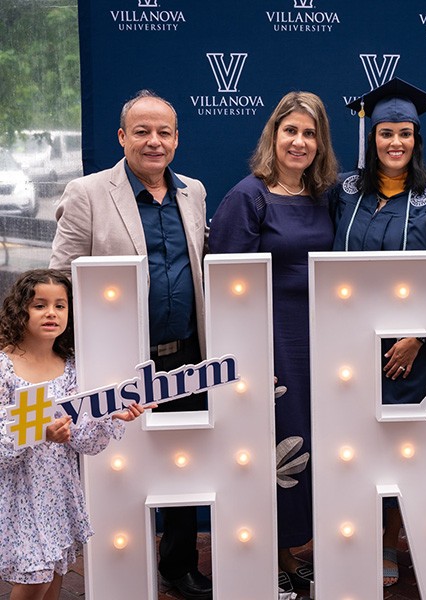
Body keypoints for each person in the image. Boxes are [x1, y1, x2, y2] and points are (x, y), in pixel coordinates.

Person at [49, 90, 213, 600]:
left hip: (186, 356)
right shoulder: (88, 193)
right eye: (141, 131)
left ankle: (178, 562)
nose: (154, 141)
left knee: (182, 458)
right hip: (119, 362)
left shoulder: (195, 193)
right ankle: (122, 567)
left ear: (177, 138)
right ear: (122, 137)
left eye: (164, 132)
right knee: (120, 468)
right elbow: (60, 277)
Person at [208, 91, 337, 600]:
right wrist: (246, 353)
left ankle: (292, 552)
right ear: (274, 136)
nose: (300, 142)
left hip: (320, 343)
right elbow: (225, 283)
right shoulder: (249, 196)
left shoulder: (325, 195)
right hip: (272, 343)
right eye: (291, 131)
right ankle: (270, 556)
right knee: (274, 449)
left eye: (309, 133)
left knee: (313, 445)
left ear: (320, 142)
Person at [332, 77, 426, 587]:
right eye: (386, 133)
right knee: (353, 446)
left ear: (416, 140)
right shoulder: (343, 192)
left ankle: (390, 539)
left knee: (401, 448)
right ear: (372, 137)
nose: (395, 143)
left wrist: (418, 337)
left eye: (405, 134)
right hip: (348, 344)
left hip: (407, 351)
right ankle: (353, 537)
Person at [0, 269, 147, 600]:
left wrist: (112, 415)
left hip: (56, 489)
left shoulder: (70, 368)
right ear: (20, 309)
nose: (51, 313)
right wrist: (40, 433)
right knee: (34, 579)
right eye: (40, 305)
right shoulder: (4, 368)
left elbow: (83, 439)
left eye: (60, 305)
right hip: (18, 491)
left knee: (53, 575)